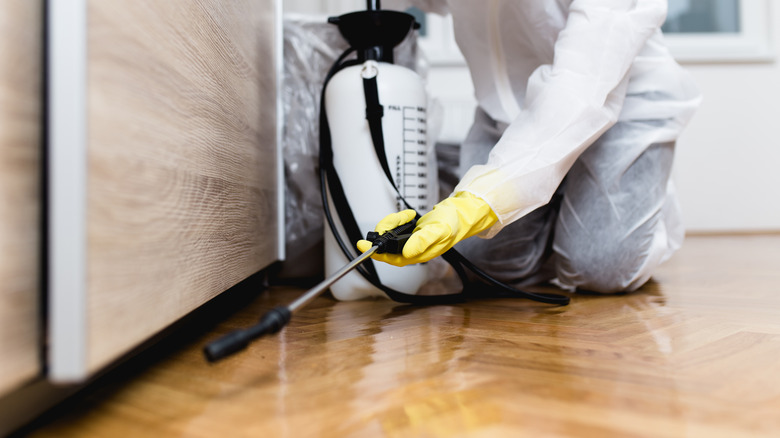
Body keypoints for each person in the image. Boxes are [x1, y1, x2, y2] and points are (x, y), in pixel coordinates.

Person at [357, 0, 701, 293]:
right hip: (506, 115)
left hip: (621, 104)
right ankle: (552, 193)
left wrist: (477, 201)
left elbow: (583, 82)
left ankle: (633, 198)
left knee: (599, 267)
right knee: (484, 266)